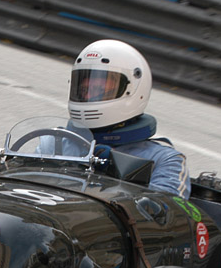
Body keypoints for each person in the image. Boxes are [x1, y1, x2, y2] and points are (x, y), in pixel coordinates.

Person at [67, 39, 191, 199]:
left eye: (99, 89)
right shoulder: (56, 143)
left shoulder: (162, 160)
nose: (89, 96)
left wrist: (113, 172)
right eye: (84, 89)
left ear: (133, 89)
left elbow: (169, 213)